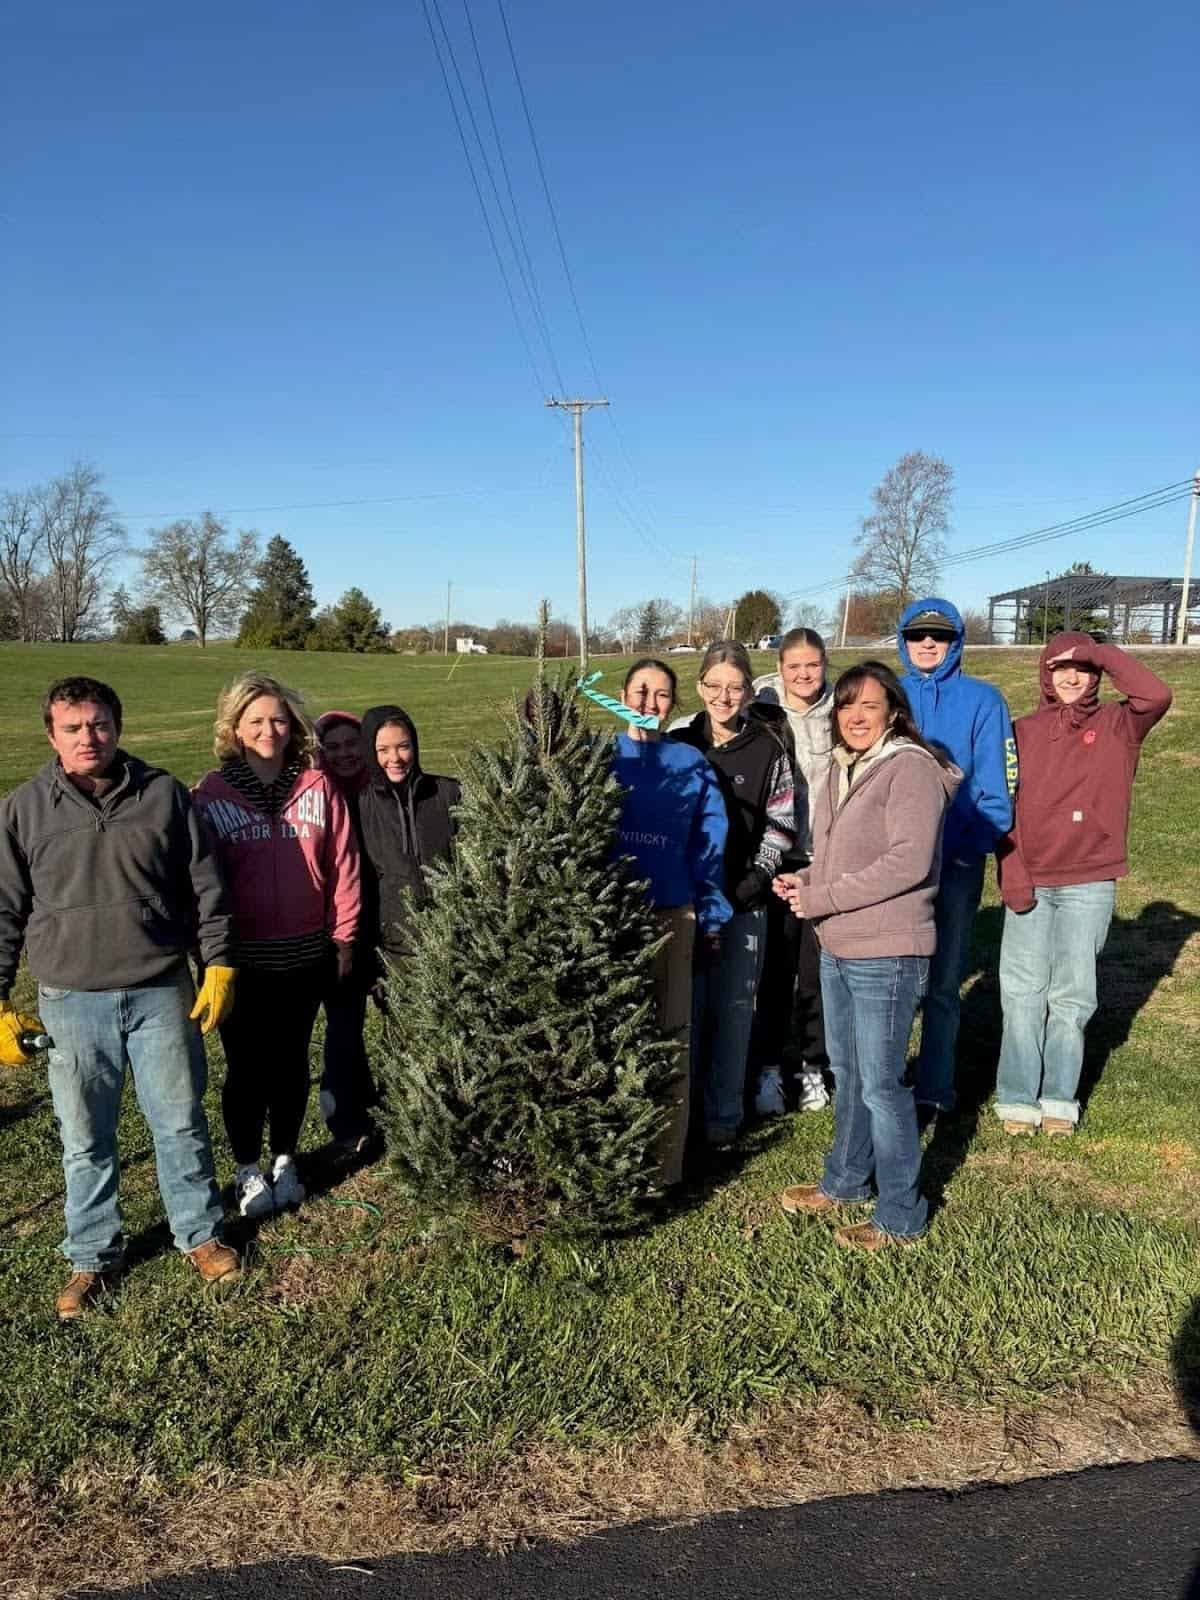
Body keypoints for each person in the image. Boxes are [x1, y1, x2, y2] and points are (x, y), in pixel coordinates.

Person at [0, 676, 241, 1319]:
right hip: (71, 1000)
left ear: (118, 726)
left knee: (180, 1121)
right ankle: (92, 1256)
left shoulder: (164, 795)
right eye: (74, 728)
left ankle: (199, 1234)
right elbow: (4, 909)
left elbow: (207, 889)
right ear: (51, 735)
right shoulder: (23, 809)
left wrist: (216, 964)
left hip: (161, 988)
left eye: (100, 724)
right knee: (84, 1137)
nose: (89, 738)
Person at [774, 662, 960, 1249]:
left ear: (894, 713)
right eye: (847, 706)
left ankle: (902, 1214)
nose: (855, 717)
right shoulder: (838, 768)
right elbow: (838, 855)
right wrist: (805, 881)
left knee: (882, 1085)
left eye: (869, 707)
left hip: (888, 951)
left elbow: (908, 862)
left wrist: (822, 897)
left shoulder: (909, 769)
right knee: (850, 1074)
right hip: (838, 943)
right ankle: (846, 1181)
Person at [194, 674, 360, 1219]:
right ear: (235, 728)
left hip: (305, 955)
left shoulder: (318, 786)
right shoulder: (210, 795)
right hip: (241, 962)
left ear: (293, 726)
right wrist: (211, 955)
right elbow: (199, 880)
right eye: (256, 721)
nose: (270, 730)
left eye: (279, 719)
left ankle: (285, 1158)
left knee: (291, 1064)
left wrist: (343, 937)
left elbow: (344, 865)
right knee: (245, 1069)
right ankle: (247, 1167)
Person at [994, 635, 1172, 1136]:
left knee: (1072, 995)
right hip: (1031, 875)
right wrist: (1011, 868)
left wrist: (1103, 653)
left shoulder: (1120, 724)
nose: (1070, 678)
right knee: (1023, 992)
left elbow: (1156, 695)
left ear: (1097, 673)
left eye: (1082, 668)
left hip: (1089, 881)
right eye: (1059, 668)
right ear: (1044, 675)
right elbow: (1003, 804)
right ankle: (1016, 1097)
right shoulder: (1021, 731)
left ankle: (1057, 1098)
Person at [670, 642, 795, 1149]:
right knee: (687, 1010)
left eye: (735, 687)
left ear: (749, 692)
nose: (724, 696)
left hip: (744, 902)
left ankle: (722, 1119)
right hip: (686, 904)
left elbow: (782, 824)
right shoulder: (680, 743)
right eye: (715, 685)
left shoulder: (769, 748)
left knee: (735, 1008)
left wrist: (753, 881)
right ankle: (682, 1119)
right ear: (700, 686)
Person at [896, 598, 1016, 1126]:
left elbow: (998, 788)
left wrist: (968, 845)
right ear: (903, 639)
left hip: (955, 863)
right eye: (918, 635)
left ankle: (934, 1086)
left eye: (939, 636)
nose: (928, 644)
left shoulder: (983, 702)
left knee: (943, 983)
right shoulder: (888, 693)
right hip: (893, 867)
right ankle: (886, 1084)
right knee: (894, 980)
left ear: (955, 642)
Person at [613, 659, 732, 1185]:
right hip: (608, 915)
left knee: (670, 1035)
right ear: (622, 694)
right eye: (641, 690)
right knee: (612, 1036)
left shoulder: (689, 762)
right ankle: (610, 1159)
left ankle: (664, 1167)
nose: (649, 702)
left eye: (662, 695)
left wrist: (707, 911)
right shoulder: (600, 758)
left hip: (670, 913)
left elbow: (710, 840)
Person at [751, 627, 836, 1114]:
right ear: (780, 668)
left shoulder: (839, 708)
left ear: (824, 664)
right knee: (772, 971)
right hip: (774, 855)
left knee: (814, 972)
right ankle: (766, 1071)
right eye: (794, 666)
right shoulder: (763, 705)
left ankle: (810, 1067)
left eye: (813, 665)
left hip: (823, 859)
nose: (804, 674)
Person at [313, 711, 379, 1157]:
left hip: (388, 925)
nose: (344, 754)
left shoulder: (382, 789)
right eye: (332, 747)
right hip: (340, 931)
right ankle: (346, 1121)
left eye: (352, 744)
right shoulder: (318, 798)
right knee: (344, 1025)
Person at [356, 705, 461, 971]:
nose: (396, 758)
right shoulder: (360, 807)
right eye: (383, 750)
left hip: (455, 938)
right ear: (370, 752)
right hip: (395, 948)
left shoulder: (448, 793)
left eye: (403, 746)